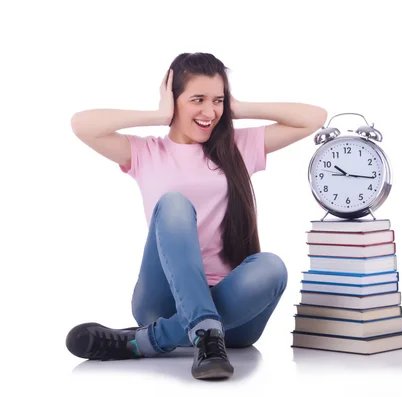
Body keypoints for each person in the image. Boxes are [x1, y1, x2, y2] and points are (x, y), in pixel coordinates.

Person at [65, 52, 327, 380]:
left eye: (217, 100)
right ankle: (202, 330)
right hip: (162, 302)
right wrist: (159, 114)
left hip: (235, 315)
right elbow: (81, 124)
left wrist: (238, 108)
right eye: (197, 99)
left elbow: (314, 117)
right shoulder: (146, 152)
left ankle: (147, 341)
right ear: (174, 100)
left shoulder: (237, 146)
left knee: (272, 267)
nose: (209, 112)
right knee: (173, 203)